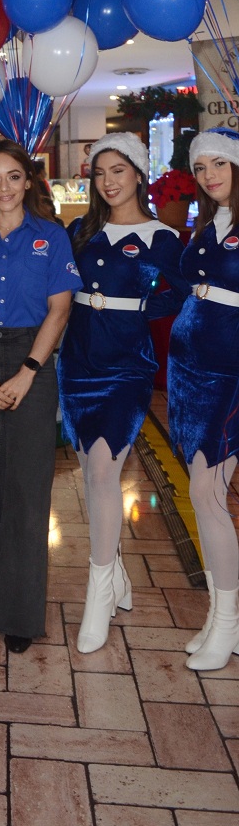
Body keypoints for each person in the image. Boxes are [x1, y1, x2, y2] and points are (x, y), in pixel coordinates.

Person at [0, 137, 81, 654]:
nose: (3, 187)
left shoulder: (52, 237)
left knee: (28, 488)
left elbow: (60, 310)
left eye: (13, 176)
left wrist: (28, 371)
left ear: (29, 181)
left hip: (33, 359)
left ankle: (20, 612)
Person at [57, 133, 189, 653]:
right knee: (92, 472)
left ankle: (97, 592)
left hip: (126, 368)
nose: (109, 182)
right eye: (100, 174)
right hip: (78, 362)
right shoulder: (80, 229)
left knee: (106, 469)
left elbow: (180, 294)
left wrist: (136, 314)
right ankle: (114, 570)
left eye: (119, 171)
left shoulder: (161, 237)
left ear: (137, 173)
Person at [167, 126, 239, 672]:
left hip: (230, 375)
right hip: (190, 371)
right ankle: (219, 617)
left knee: (210, 494)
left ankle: (228, 624)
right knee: (201, 493)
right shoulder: (206, 226)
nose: (210, 174)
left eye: (219, 163)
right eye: (201, 167)